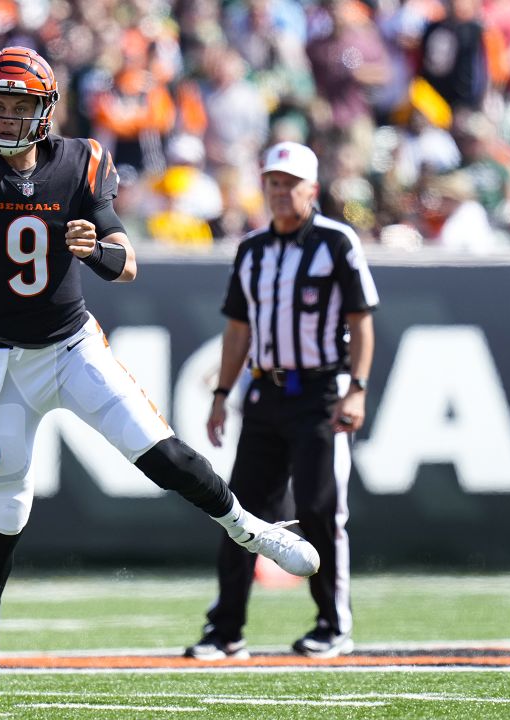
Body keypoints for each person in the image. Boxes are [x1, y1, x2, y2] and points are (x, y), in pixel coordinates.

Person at [0, 46, 321, 705]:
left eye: (21, 105)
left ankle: (251, 529)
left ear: (45, 111)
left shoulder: (81, 161)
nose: (8, 116)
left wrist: (99, 249)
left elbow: (126, 260)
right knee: (7, 516)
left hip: (72, 347)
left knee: (159, 452)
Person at [187, 141, 378, 662]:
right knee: (240, 514)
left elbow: (361, 321)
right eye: (272, 181)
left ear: (311, 189)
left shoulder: (337, 242)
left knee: (320, 510)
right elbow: (237, 330)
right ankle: (226, 629)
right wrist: (222, 394)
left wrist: (356, 388)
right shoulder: (252, 249)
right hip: (265, 392)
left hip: (320, 391)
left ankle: (332, 624)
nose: (279, 191)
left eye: (289, 183)